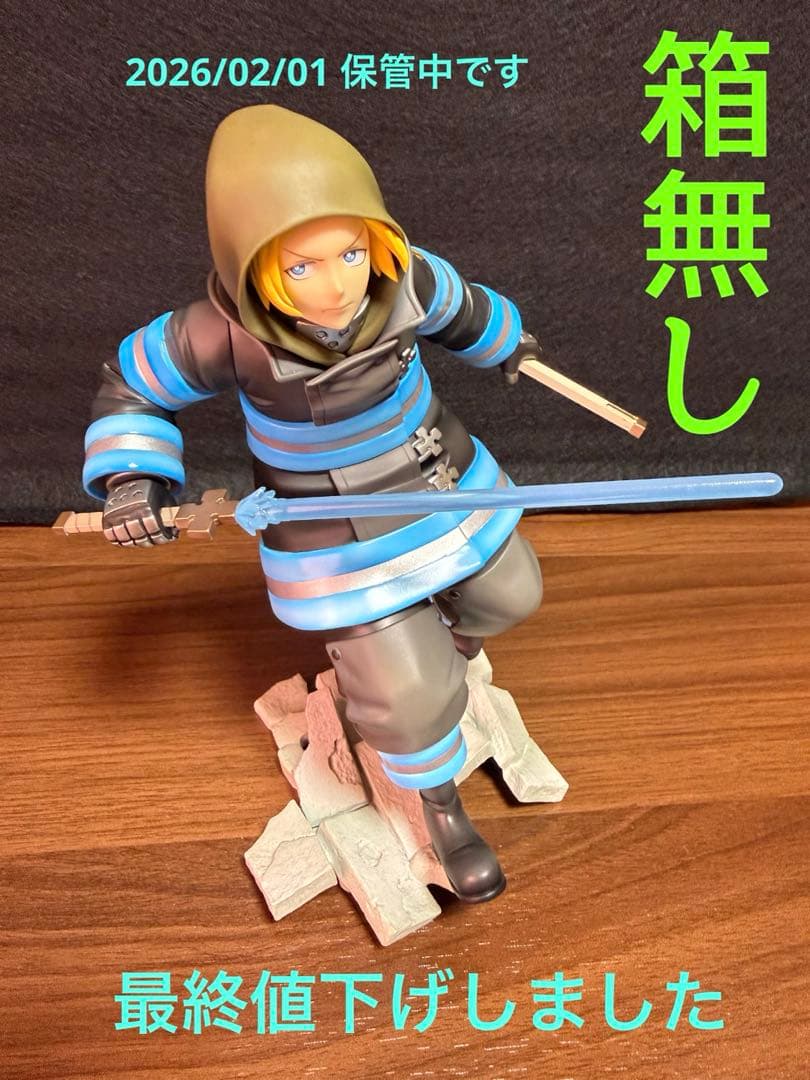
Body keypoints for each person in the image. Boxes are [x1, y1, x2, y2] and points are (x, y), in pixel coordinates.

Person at [84, 105, 543, 903]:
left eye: (352, 253)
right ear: (252, 263)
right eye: (302, 267)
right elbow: (132, 384)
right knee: (409, 698)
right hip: (339, 527)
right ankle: (440, 807)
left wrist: (510, 344)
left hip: (442, 480)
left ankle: (446, 653)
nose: (338, 285)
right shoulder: (220, 333)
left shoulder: (407, 280)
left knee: (511, 594)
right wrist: (133, 479)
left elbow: (465, 308)